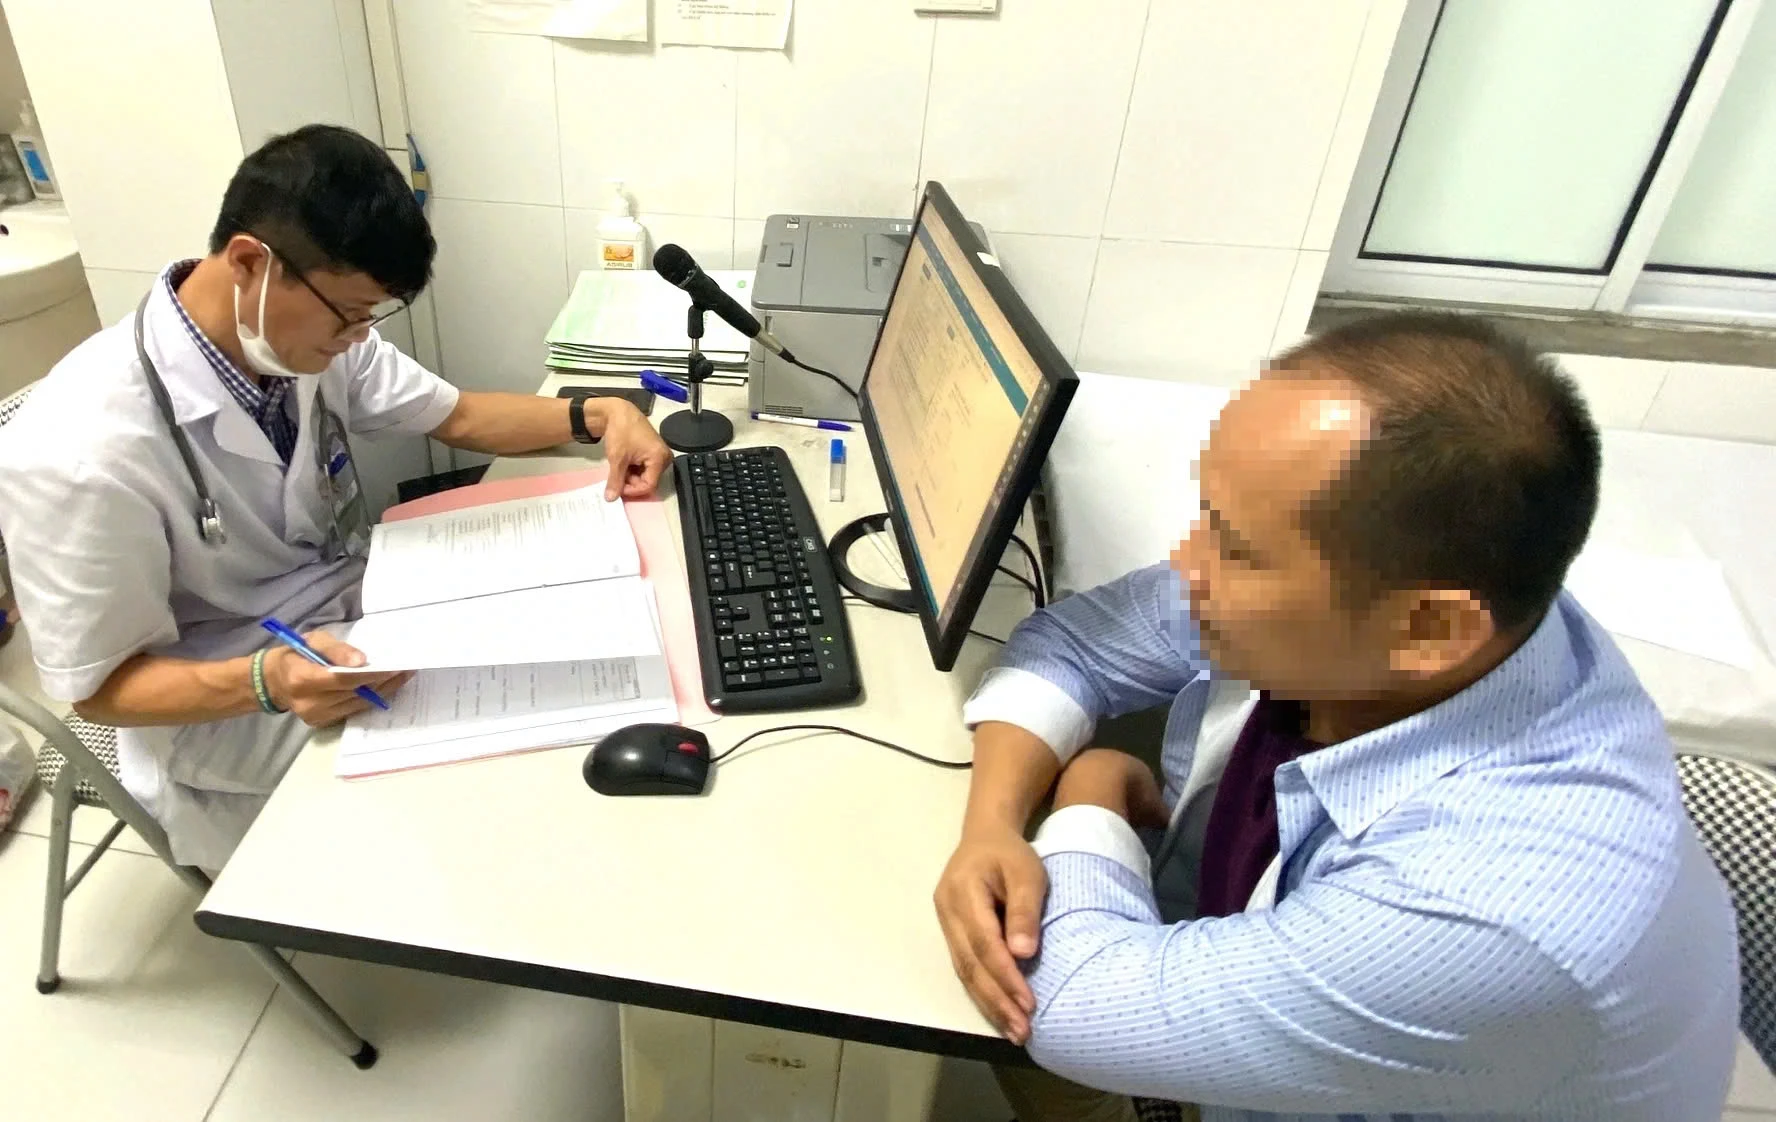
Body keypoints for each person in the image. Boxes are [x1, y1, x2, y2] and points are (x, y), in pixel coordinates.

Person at [935, 313, 1740, 1121]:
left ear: (1429, 629)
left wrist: (1092, 795)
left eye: (1234, 547)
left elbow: (1071, 1007)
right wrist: (992, 826)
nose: (1186, 565)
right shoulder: (1433, 613)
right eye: (1206, 513)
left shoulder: (1491, 909)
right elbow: (1077, 644)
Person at [0, 125, 672, 872]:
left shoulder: (296, 339)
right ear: (250, 263)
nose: (357, 337)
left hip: (355, 616)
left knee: (564, 657)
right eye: (349, 314)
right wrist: (267, 680)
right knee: (503, 772)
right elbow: (98, 690)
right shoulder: (76, 453)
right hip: (225, 702)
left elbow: (456, 416)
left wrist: (598, 414)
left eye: (369, 317)